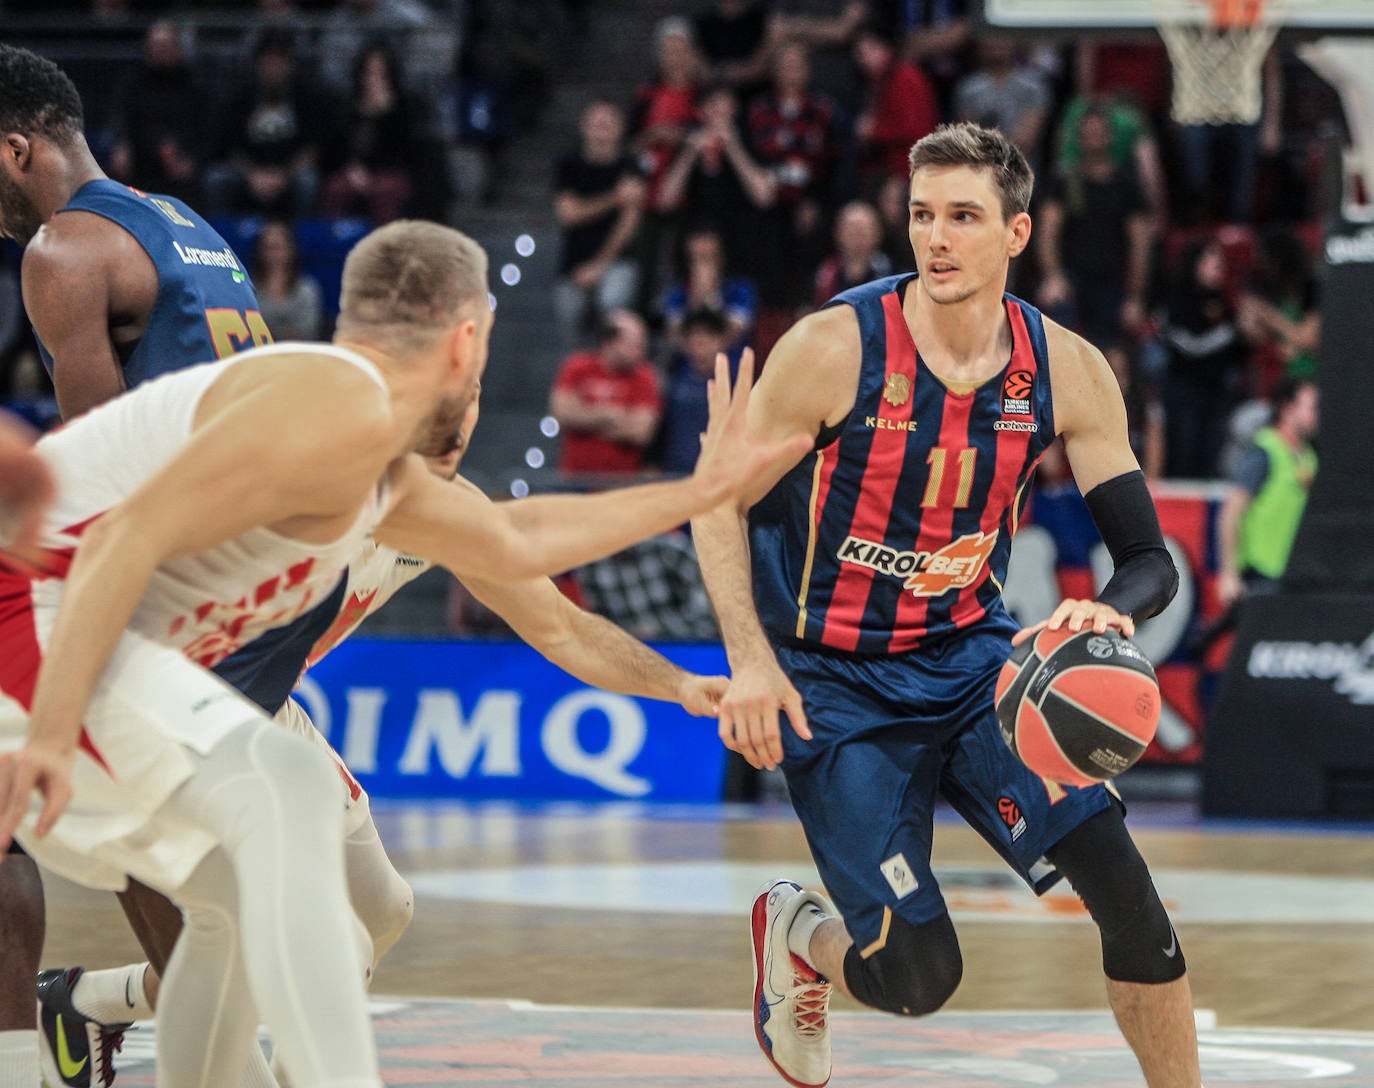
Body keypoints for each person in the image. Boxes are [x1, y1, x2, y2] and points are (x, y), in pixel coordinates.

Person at [0, 217, 806, 1088]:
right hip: (46, 629)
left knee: (239, 919)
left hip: (102, 649)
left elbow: (520, 543)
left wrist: (699, 494)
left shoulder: (375, 463)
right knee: (292, 817)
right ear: (466, 341)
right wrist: (47, 732)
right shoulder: (329, 402)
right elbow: (126, 538)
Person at [692, 123, 1202, 1088]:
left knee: (1129, 896)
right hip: (832, 679)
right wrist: (751, 663)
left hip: (974, 659)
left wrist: (1105, 610)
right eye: (922, 215)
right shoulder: (835, 349)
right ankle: (801, 935)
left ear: (1017, 232)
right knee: (917, 975)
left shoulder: (1066, 369)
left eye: (963, 217)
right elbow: (714, 499)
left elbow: (1147, 559)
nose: (937, 238)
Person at [49, 391, 730, 1085]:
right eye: (438, 404)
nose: (455, 423)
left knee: (384, 911)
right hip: (180, 719)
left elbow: (560, 626)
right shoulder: (300, 484)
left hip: (266, 713)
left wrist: (679, 684)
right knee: (326, 950)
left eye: (467, 404)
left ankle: (86, 1003)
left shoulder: (447, 509)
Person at [0, 41, 294, 1088]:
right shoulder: (182, 221)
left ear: (15, 146)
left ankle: (213, 1056)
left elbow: (101, 456)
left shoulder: (60, 252)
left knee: (100, 809)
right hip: (280, 550)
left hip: (190, 558)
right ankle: (97, 1005)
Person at [1217, 375, 1318, 608]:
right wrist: (1228, 572)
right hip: (1259, 570)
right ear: (1287, 408)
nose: (1318, 414)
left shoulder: (1309, 457)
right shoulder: (1265, 451)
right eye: (1312, 407)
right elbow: (1231, 512)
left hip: (1293, 571)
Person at [552, 99, 646, 350]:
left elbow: (630, 222)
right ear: (584, 127)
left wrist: (600, 265)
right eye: (596, 124)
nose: (602, 131)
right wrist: (616, 196)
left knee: (613, 308)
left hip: (616, 261)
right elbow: (568, 213)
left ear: (620, 129)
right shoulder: (568, 165)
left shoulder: (632, 165)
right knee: (569, 328)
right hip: (574, 263)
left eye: (608, 124)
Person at [549, 309, 663, 478]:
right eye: (634, 344)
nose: (641, 350)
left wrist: (585, 418)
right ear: (610, 342)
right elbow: (562, 413)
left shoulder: (645, 377)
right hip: (574, 481)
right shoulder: (577, 367)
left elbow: (641, 433)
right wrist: (610, 416)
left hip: (620, 484)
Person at [252, 219, 325, 341]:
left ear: (291, 249)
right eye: (268, 247)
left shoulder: (307, 289)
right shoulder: (250, 288)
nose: (273, 254)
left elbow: (308, 330)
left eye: (277, 247)